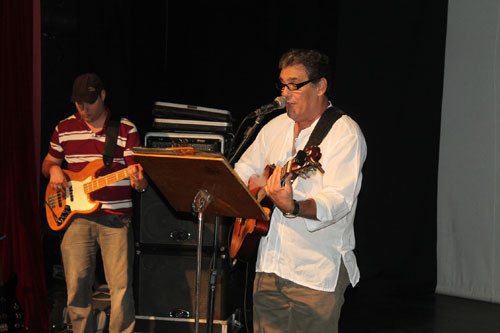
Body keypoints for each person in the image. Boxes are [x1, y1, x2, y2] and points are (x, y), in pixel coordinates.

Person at [234, 49, 367, 333]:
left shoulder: (344, 133)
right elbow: (243, 170)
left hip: (315, 272)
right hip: (269, 265)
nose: (286, 93)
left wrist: (293, 206)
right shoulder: (274, 126)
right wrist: (255, 190)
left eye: (295, 85)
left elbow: (338, 201)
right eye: (283, 84)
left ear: (320, 86)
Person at [42, 73, 147, 333]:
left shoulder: (124, 129)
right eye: (78, 103)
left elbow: (139, 178)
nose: (83, 109)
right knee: (77, 288)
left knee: (121, 290)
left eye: (89, 102)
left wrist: (139, 181)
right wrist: (54, 170)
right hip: (76, 217)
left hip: (116, 218)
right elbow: (48, 162)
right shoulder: (63, 128)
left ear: (103, 96)